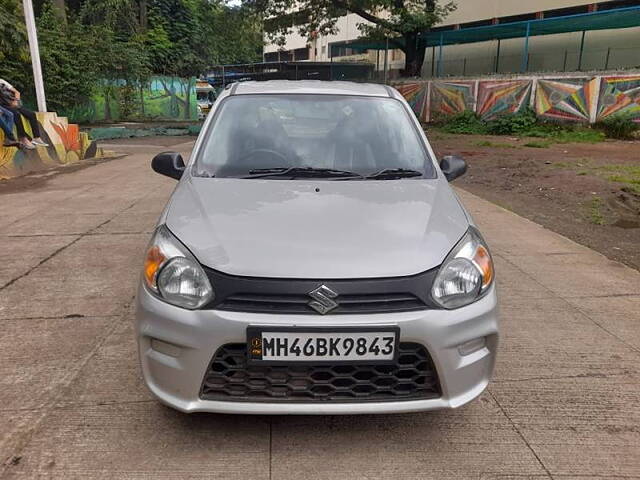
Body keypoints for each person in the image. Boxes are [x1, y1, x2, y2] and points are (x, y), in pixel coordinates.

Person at [0, 78, 48, 149]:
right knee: (15, 114)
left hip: (12, 103)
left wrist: (16, 101)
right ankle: (23, 138)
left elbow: (17, 92)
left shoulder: (1, 81)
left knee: (31, 114)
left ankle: (36, 138)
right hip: (4, 105)